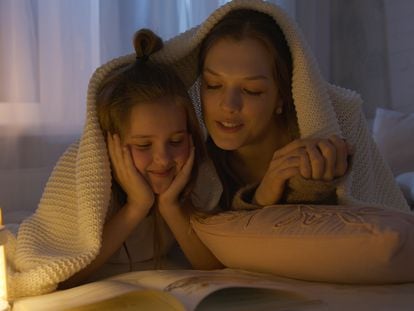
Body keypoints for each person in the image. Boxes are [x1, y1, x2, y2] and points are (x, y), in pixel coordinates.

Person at [7, 29, 222, 299]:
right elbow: (64, 277)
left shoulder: (195, 173)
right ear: (111, 145)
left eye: (176, 140)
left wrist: (169, 206)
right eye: (144, 145)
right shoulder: (90, 178)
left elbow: (213, 267)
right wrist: (136, 206)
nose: (164, 159)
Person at [155, 0, 409, 212]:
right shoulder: (196, 162)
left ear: (282, 97)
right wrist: (261, 197)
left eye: (251, 90)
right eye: (213, 85)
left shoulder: (325, 139)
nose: (228, 105)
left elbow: (373, 220)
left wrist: (312, 186)